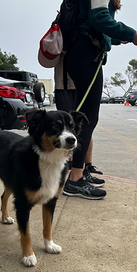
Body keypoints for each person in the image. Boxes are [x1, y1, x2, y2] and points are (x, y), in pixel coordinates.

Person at [62, 0, 137, 199]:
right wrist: (131, 33)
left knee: (84, 114)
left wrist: (113, 38)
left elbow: (92, 23)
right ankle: (75, 180)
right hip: (86, 55)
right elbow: (99, 17)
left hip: (81, 52)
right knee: (88, 117)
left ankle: (81, 170)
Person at [54, 56, 104, 188]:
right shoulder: (70, 36)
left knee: (86, 127)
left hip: (85, 81)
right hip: (66, 84)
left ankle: (85, 168)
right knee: (68, 129)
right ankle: (72, 173)